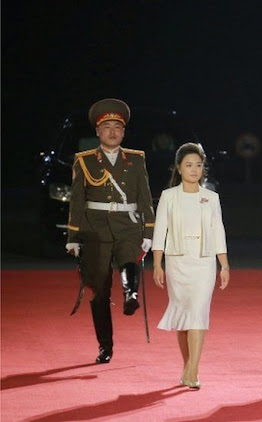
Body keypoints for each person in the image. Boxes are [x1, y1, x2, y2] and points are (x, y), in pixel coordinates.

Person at [65, 98, 155, 364]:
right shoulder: (84, 161)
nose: (113, 132)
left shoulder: (136, 160)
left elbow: (145, 197)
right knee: (100, 290)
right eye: (107, 127)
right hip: (95, 229)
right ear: (98, 132)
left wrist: (148, 231)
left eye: (118, 126)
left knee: (129, 256)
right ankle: (105, 346)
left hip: (127, 223)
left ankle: (131, 294)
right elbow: (77, 200)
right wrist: (73, 237)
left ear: (124, 132)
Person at [152, 142, 229, 390]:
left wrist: (224, 265)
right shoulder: (168, 196)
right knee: (184, 315)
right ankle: (188, 366)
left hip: (204, 262)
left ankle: (193, 370)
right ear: (178, 168)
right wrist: (157, 264)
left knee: (198, 312)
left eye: (198, 165)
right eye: (189, 165)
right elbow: (160, 230)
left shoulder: (211, 197)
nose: (194, 170)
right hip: (177, 261)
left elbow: (219, 231)